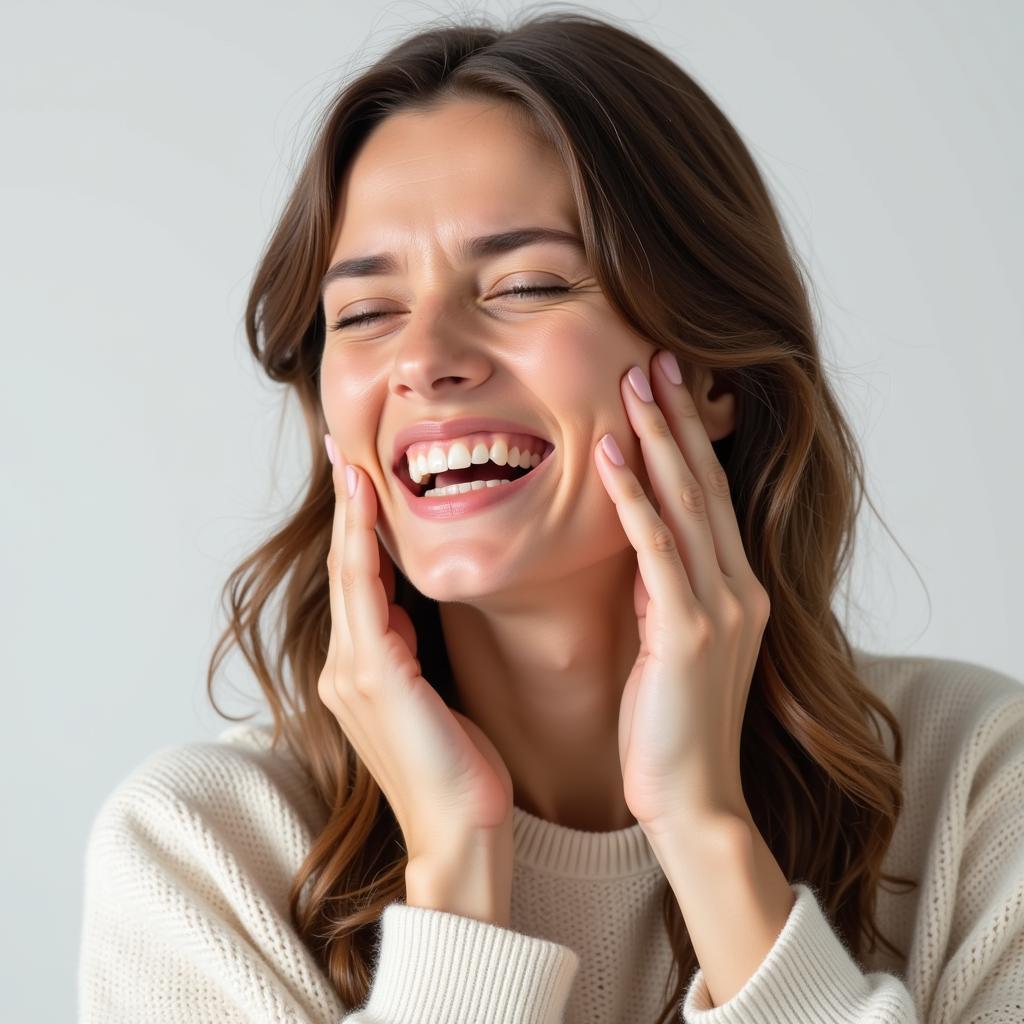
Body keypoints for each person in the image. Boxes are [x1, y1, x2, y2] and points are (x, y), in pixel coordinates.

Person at [78, 9, 1024, 1023]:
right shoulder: (200, 854)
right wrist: (452, 873)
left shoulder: (971, 786)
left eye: (523, 285)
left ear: (711, 377)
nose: (425, 358)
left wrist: (706, 830)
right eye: (363, 314)